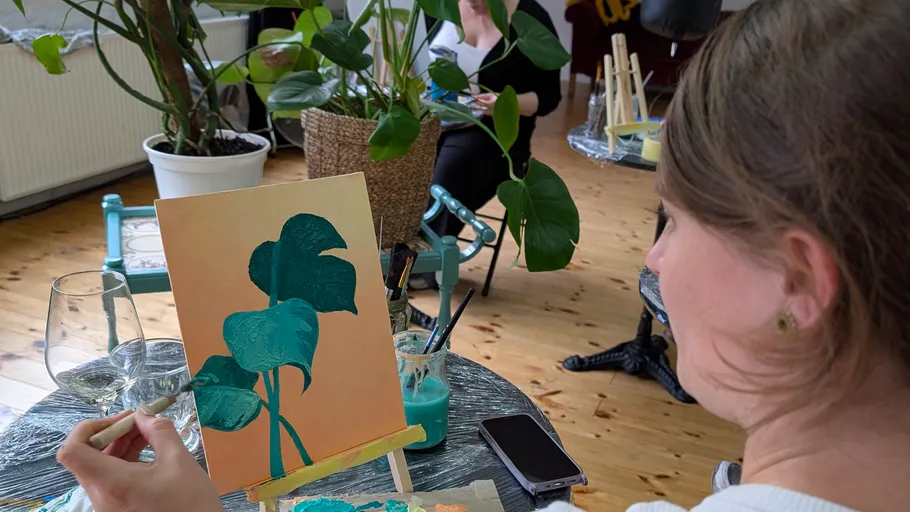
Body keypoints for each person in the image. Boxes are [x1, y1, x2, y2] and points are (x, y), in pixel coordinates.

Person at [55, 0, 910, 510]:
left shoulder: (526, 17)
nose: (653, 265)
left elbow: (529, 98)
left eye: (674, 221)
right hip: (445, 125)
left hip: (489, 139)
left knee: (459, 163)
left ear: (797, 285)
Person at [424, 0, 562, 240]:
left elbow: (549, 98)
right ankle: (390, 257)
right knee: (396, 164)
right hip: (434, 118)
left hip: (493, 133)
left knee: (449, 172)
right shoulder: (438, 6)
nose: (472, 3)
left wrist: (504, 103)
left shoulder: (529, 19)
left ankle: (418, 264)